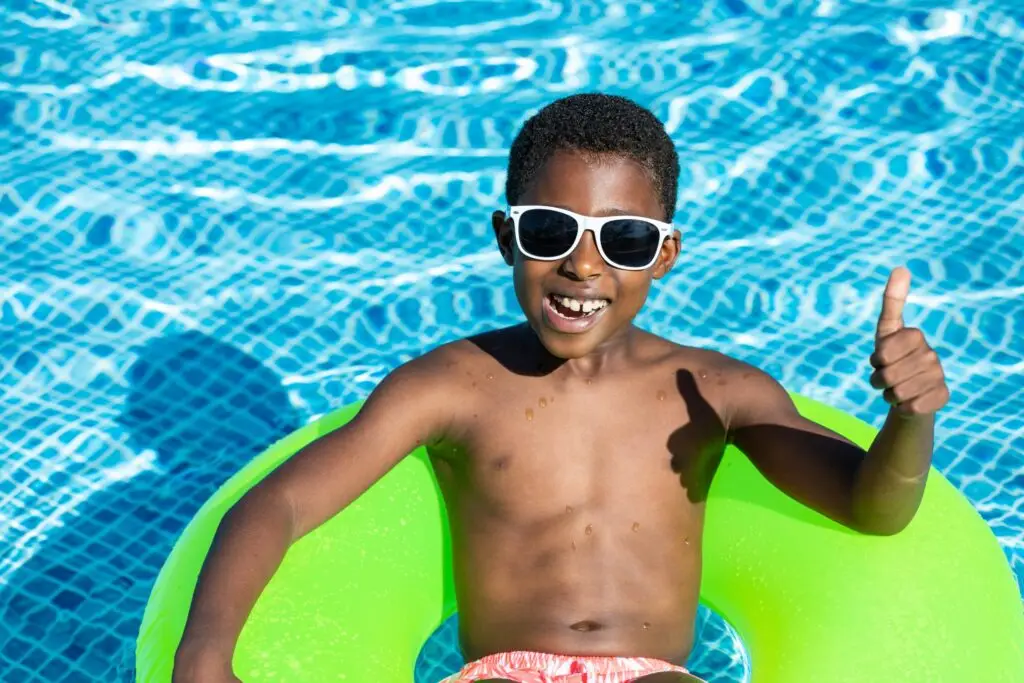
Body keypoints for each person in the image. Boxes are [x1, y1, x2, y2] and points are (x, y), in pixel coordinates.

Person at [172, 94, 949, 683]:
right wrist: (205, 650)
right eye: (550, 231)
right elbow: (280, 502)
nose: (583, 266)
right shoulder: (451, 387)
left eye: (624, 239)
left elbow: (868, 506)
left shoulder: (715, 391)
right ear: (507, 235)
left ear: (665, 254)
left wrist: (911, 417)